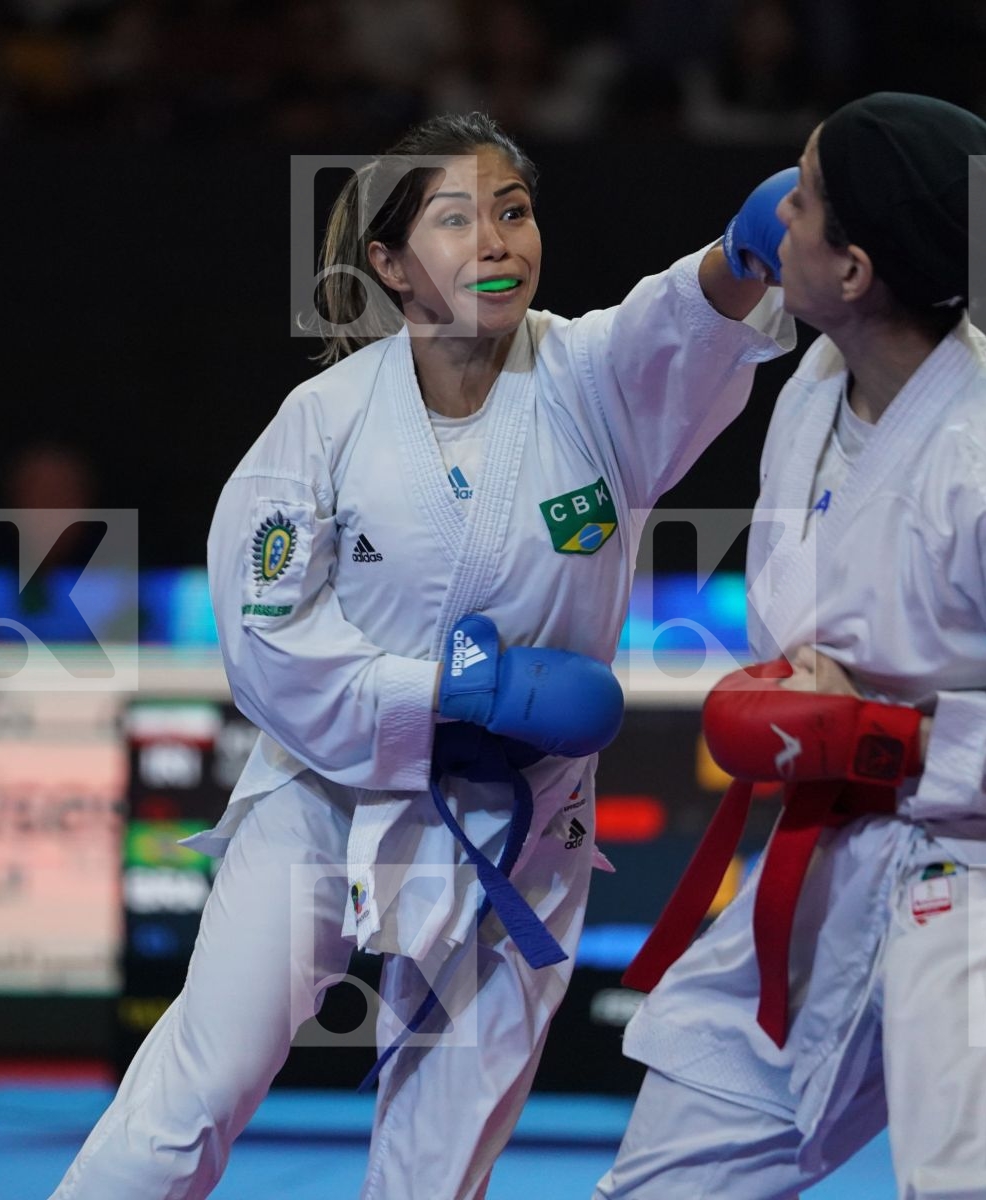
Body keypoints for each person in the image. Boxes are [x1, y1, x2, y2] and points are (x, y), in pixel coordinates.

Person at [48, 110, 798, 1199]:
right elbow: (267, 642)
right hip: (324, 794)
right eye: (458, 219)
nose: (498, 241)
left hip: (521, 821)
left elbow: (680, 325)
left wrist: (738, 259)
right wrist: (453, 691)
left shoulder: (592, 380)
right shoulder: (322, 423)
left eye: (514, 210)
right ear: (392, 265)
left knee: (438, 1165)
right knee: (197, 1091)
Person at [596, 92, 986, 1199]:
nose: (781, 204)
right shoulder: (822, 384)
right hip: (828, 866)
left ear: (858, 271)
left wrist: (888, 738)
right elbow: (679, 354)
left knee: (974, 1191)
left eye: (807, 196)